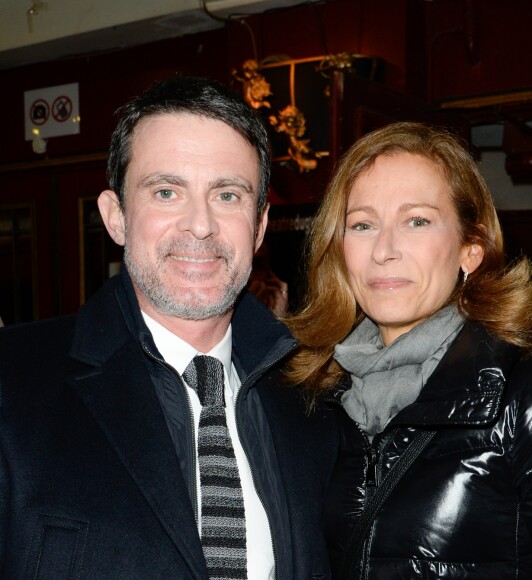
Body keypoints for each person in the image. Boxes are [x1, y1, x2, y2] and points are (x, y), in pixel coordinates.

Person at [0, 76, 338, 579]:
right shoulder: (13, 384)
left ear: (261, 225)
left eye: (227, 195)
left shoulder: (316, 400)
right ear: (115, 217)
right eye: (166, 191)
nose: (199, 225)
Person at [284, 122, 532, 579]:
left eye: (416, 221)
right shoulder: (318, 398)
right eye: (362, 225)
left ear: (470, 250)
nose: (383, 250)